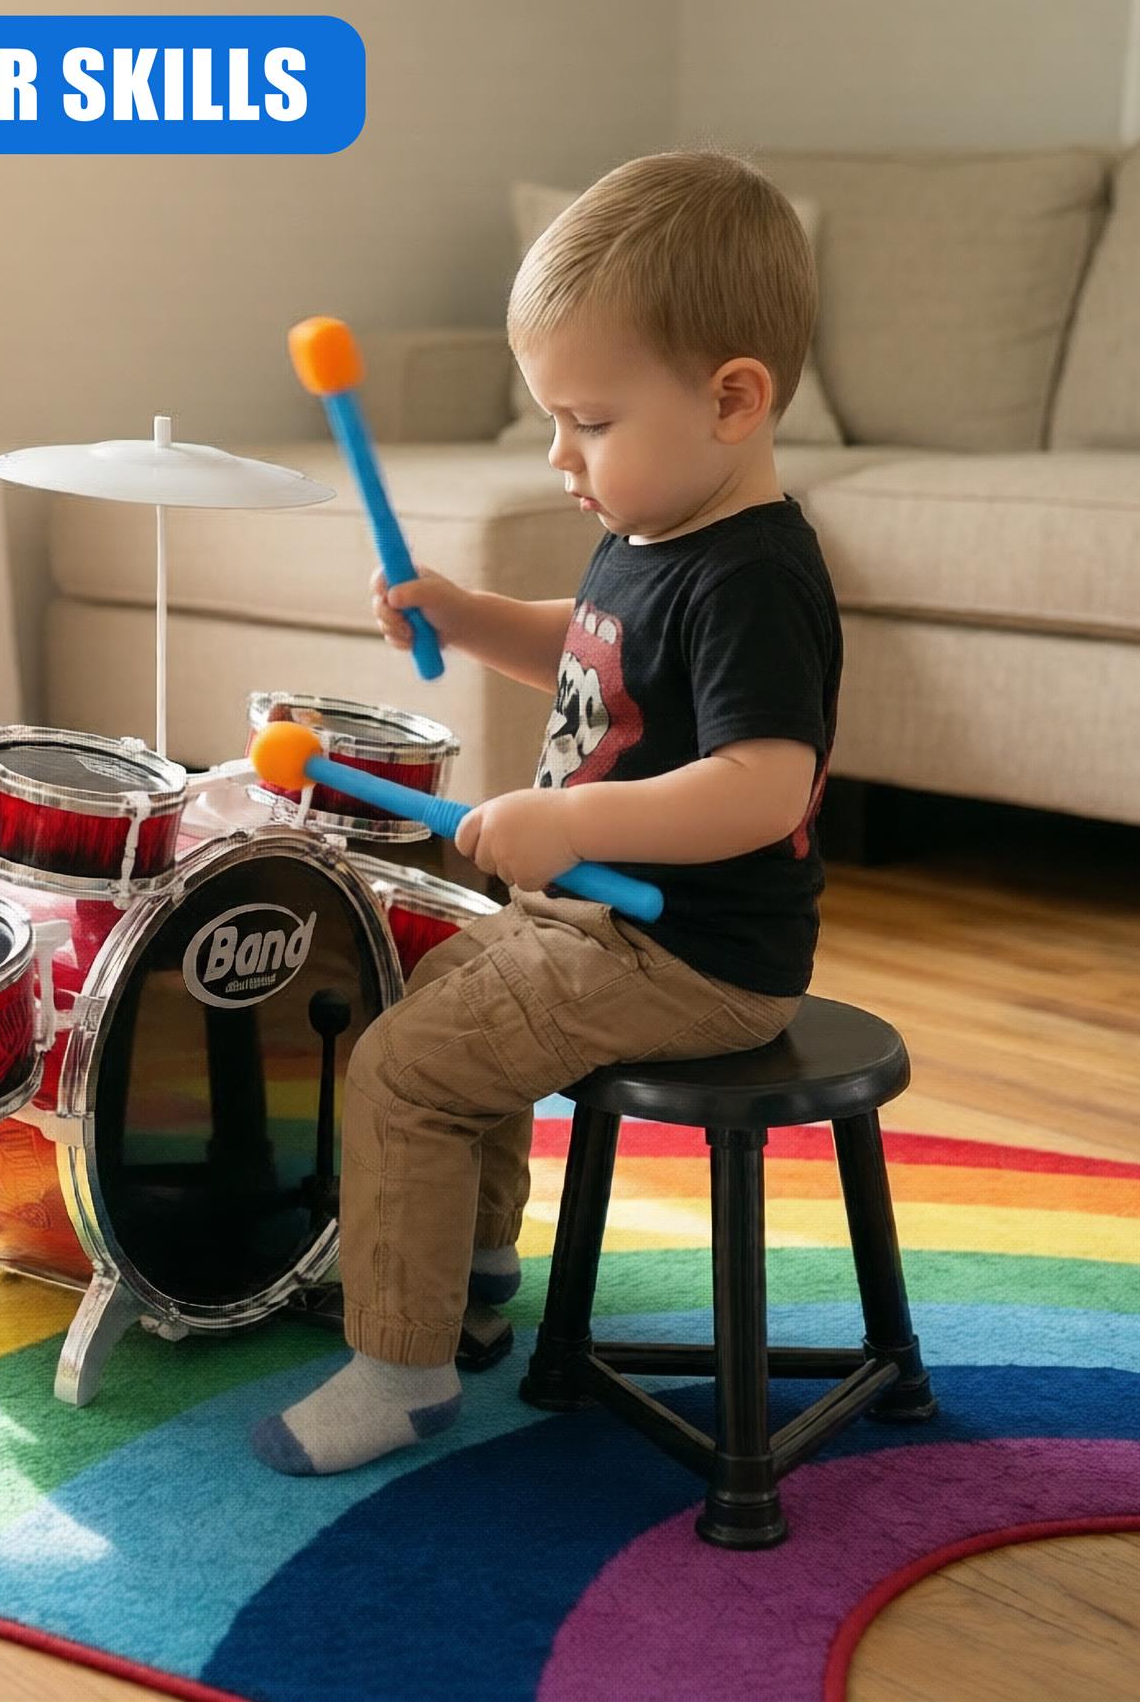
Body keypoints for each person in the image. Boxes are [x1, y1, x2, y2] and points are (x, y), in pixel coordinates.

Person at [250, 148, 842, 1475]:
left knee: (402, 1069)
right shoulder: (650, 527)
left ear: (732, 400)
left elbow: (766, 787)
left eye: (592, 422)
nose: (564, 457)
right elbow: (591, 656)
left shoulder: (754, 578)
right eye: (552, 423)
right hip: (601, 928)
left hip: (693, 956)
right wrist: (462, 615)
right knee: (441, 1006)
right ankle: (470, 1278)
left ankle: (398, 1367)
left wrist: (570, 829)